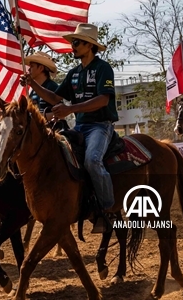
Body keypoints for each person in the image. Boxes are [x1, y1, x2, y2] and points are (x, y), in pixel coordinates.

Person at [25, 23, 118, 228]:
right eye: (72, 42)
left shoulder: (103, 68)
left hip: (100, 126)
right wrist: (32, 84)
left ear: (89, 45)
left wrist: (71, 109)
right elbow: (54, 96)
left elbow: (104, 100)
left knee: (93, 160)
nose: (72, 46)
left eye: (76, 42)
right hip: (80, 127)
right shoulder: (74, 73)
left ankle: (107, 210)